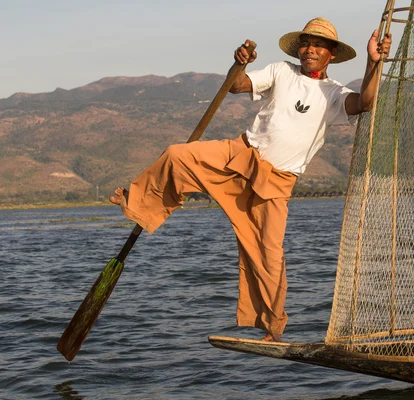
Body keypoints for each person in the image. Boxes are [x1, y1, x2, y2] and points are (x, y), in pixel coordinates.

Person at [109, 17, 392, 342]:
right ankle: (136, 202)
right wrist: (238, 65)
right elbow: (237, 85)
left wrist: (374, 63)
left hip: (276, 184)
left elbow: (365, 102)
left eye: (317, 45)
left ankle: (272, 328)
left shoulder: (332, 93)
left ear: (331, 53)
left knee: (268, 256)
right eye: (305, 43)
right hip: (241, 155)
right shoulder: (281, 71)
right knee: (177, 155)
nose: (309, 49)